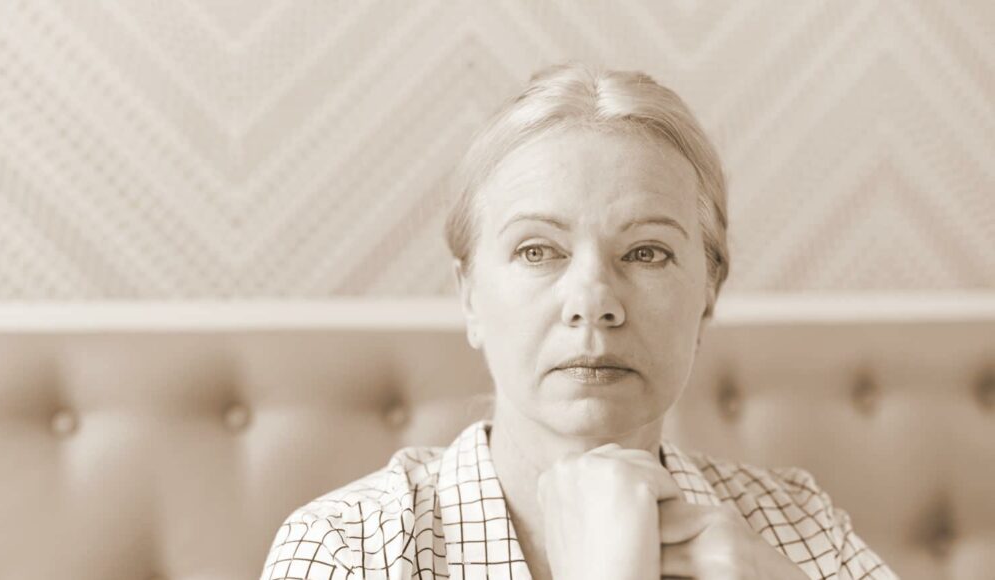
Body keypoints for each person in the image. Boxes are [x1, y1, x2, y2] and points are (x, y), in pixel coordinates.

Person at [258, 63, 897, 580]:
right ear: (470, 296)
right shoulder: (346, 550)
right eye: (539, 251)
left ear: (708, 294)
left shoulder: (801, 529)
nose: (593, 302)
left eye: (646, 253)